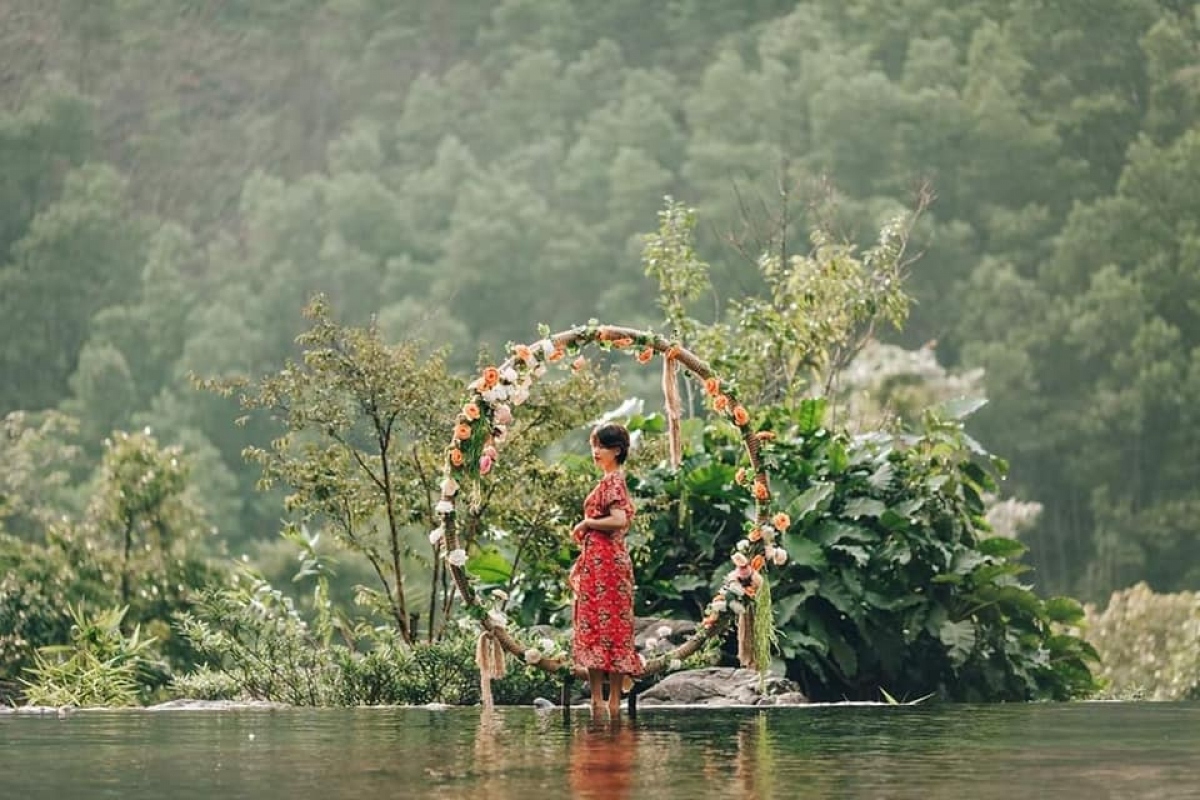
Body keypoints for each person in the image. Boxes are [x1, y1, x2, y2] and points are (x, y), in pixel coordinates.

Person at [570, 422, 641, 716]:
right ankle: (600, 700)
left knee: (608, 625)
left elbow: (618, 519)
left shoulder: (614, 481)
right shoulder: (607, 481)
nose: (596, 452)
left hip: (607, 564)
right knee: (597, 625)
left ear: (616, 450)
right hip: (598, 563)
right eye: (594, 447)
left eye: (601, 447)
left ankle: (607, 700)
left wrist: (587, 523)